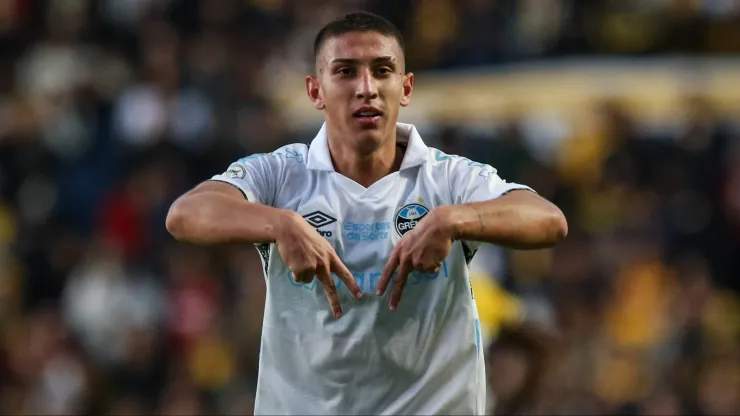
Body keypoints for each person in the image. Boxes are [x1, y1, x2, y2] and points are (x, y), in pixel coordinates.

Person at [165, 11, 567, 415]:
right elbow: (185, 214)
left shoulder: (448, 178)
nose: (366, 88)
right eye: (345, 72)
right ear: (315, 91)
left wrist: (452, 220)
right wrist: (280, 224)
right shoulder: (281, 174)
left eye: (382, 70)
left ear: (405, 87)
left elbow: (548, 219)